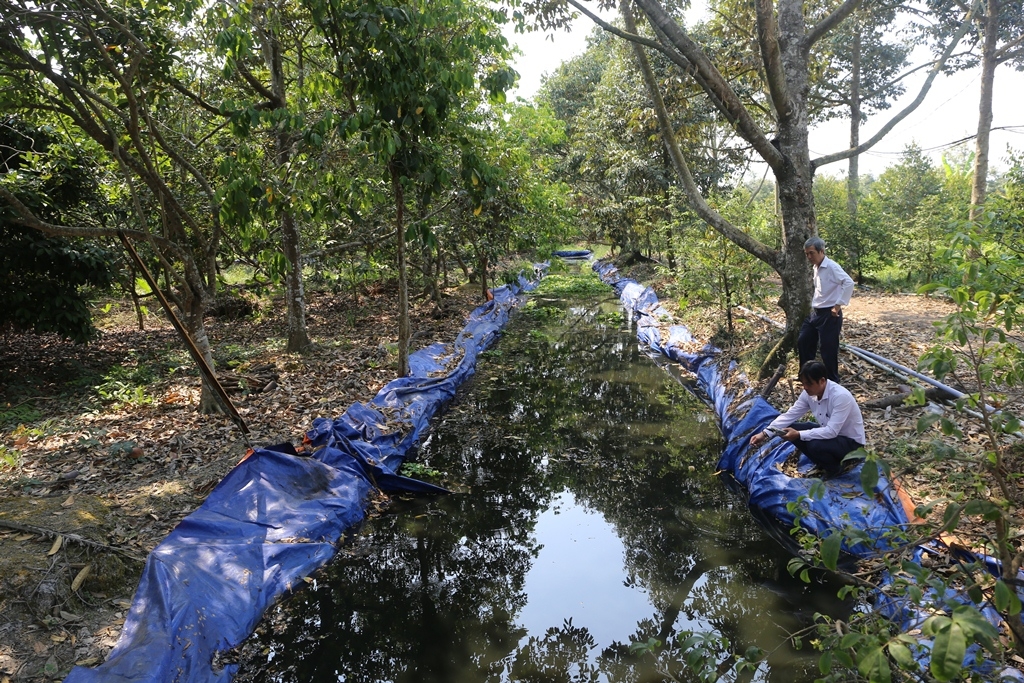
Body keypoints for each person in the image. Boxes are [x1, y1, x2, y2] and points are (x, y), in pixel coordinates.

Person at [749, 361, 866, 476]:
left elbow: (831, 431)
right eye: (803, 383)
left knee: (814, 445)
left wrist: (799, 434)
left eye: (809, 384)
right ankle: (822, 463)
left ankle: (835, 469)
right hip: (830, 435)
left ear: (822, 381)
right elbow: (790, 415)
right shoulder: (808, 394)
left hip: (851, 444)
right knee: (788, 429)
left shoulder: (840, 397)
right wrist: (765, 434)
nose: (805, 388)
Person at [798, 236, 854, 383]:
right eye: (807, 254)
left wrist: (838, 305)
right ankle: (808, 377)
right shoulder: (816, 267)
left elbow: (848, 283)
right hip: (815, 312)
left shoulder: (832, 267)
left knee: (828, 350)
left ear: (821, 251)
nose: (809, 257)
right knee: (804, 341)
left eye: (811, 253)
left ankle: (832, 383)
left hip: (829, 314)